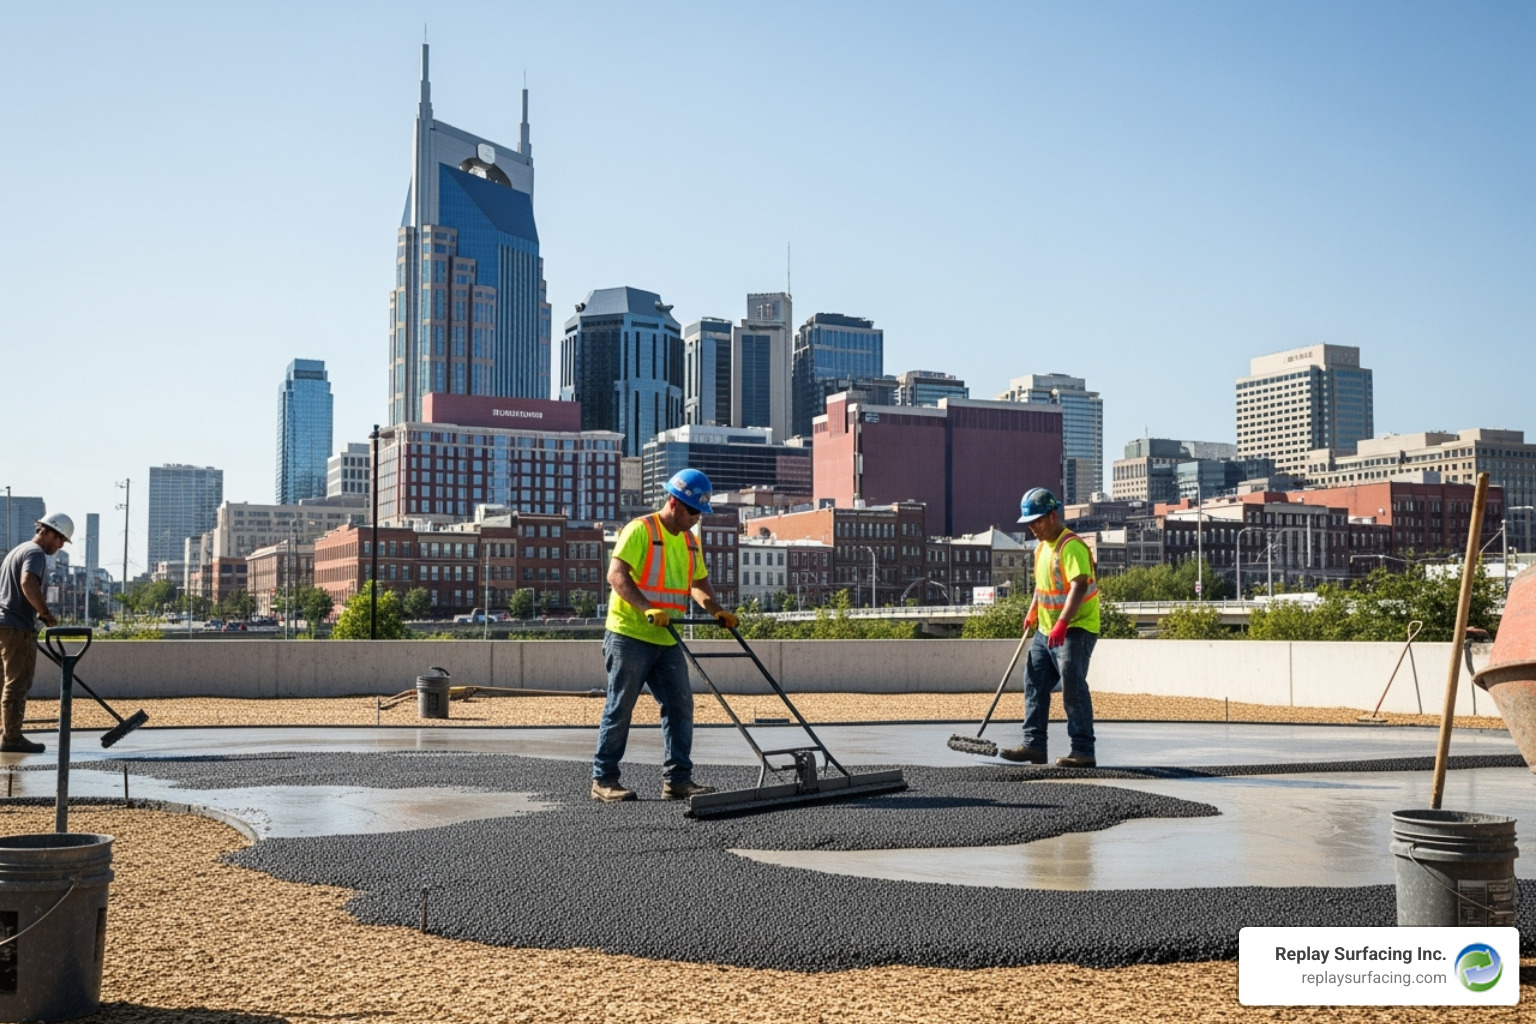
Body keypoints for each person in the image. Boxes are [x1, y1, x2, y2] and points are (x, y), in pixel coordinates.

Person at [591, 469, 738, 802]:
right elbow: (616, 575)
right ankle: (604, 780)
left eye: (700, 512)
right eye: (693, 510)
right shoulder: (640, 529)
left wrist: (716, 610)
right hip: (629, 634)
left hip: (667, 638)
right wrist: (647, 608)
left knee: (680, 705)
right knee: (620, 706)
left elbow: (698, 583)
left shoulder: (689, 540)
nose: (696, 518)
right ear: (673, 502)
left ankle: (677, 780)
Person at [999, 488, 1100, 768]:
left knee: (1072, 686)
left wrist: (1062, 624)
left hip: (1076, 628)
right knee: (1034, 681)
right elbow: (1043, 585)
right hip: (1046, 629)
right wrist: (1033, 610)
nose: (1032, 527)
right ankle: (1034, 745)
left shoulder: (1071, 546)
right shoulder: (1041, 548)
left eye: (1037, 521)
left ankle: (1083, 750)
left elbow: (1078, 586)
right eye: (1029, 523)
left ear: (1053, 516)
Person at [0, 513, 74, 754]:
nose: (60, 546)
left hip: (3, 624)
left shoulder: (16, 551)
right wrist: (45, 613)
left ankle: (5, 734)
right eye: (61, 540)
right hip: (16, 627)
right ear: (49, 532)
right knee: (17, 682)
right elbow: (27, 582)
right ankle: (11, 738)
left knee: (3, 682)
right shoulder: (35, 553)